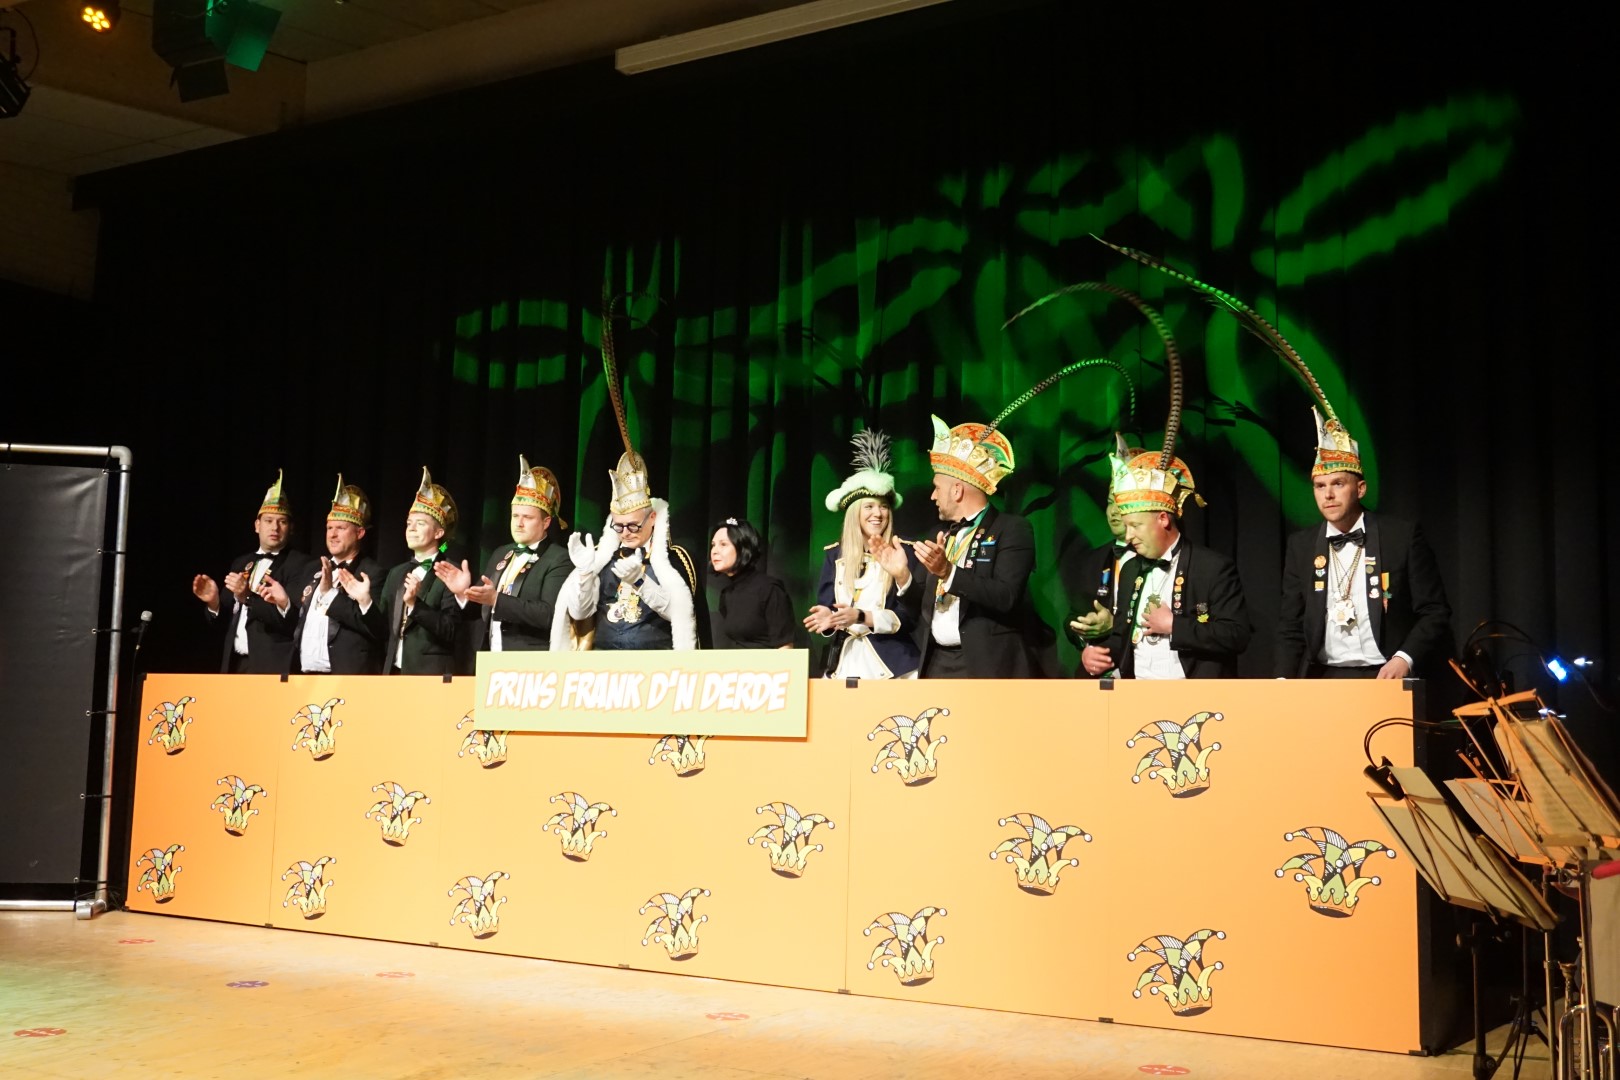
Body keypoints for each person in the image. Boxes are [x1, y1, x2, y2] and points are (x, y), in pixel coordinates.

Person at [1275, 409, 1452, 679]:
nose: (1328, 494)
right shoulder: (1301, 546)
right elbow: (1291, 624)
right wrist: (1281, 681)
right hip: (1325, 676)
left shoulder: (1401, 536)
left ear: (1360, 489)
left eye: (1338, 484)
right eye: (1320, 486)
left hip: (1385, 673)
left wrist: (1404, 658)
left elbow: (1434, 611)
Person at [1081, 449, 1250, 679]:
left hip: (1192, 692)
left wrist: (1173, 625)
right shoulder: (1131, 569)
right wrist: (1096, 652)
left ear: (1162, 518)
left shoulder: (1212, 568)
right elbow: (1123, 638)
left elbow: (1236, 635)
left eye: (1135, 526)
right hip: (1137, 691)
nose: (1128, 536)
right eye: (1126, 526)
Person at [910, 415, 1041, 679]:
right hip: (936, 663)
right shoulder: (942, 536)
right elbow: (921, 605)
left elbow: (1006, 596)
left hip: (985, 665)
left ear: (957, 490)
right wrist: (902, 576)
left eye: (937, 488)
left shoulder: (1011, 529)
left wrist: (948, 572)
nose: (932, 496)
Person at [552, 450, 703, 651]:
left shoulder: (675, 559)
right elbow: (580, 613)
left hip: (655, 661)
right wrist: (585, 575)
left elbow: (679, 613)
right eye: (618, 526)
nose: (625, 533)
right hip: (604, 661)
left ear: (652, 518)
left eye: (633, 525)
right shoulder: (603, 558)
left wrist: (640, 582)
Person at [806, 431, 923, 678]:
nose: (877, 514)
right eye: (869, 506)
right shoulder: (834, 555)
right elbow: (829, 607)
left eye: (883, 507)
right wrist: (829, 619)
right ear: (855, 513)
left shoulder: (903, 552)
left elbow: (910, 617)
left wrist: (862, 616)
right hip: (844, 662)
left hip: (893, 664)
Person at [437, 456, 571, 654]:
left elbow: (548, 614)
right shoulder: (501, 553)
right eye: (515, 516)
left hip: (530, 660)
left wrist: (496, 599)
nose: (519, 523)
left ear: (546, 522)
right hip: (491, 657)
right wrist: (463, 592)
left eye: (527, 517)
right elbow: (480, 611)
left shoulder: (559, 558)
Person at [191, 469, 318, 674]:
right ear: (257, 525)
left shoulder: (302, 564)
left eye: (282, 522)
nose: (275, 527)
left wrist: (248, 597)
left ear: (291, 528)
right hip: (235, 665)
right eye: (268, 521)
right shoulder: (241, 563)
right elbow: (222, 622)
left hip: (272, 667)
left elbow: (292, 621)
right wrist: (214, 603)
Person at [281, 475, 387, 675]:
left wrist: (330, 594)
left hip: (345, 675)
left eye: (341, 528)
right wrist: (284, 604)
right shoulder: (311, 569)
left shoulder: (373, 573)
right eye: (329, 528)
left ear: (360, 533)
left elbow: (376, 629)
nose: (332, 534)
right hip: (304, 675)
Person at [380, 468, 463, 675]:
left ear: (438, 532)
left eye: (420, 524)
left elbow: (451, 630)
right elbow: (383, 627)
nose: (411, 528)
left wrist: (414, 604)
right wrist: (364, 601)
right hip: (394, 672)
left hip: (430, 675)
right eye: (409, 523)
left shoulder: (450, 572)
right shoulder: (396, 573)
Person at [1064, 492, 1132, 674]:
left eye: (1121, 504)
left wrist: (1115, 625)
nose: (1113, 512)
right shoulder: (1094, 559)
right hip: (1100, 673)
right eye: (1110, 503)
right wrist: (1086, 633)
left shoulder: (1158, 559)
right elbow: (1072, 617)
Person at [709, 517, 795, 650]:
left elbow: (785, 647)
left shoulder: (769, 589)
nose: (714, 551)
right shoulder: (727, 594)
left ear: (743, 548)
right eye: (713, 545)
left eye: (723, 544)